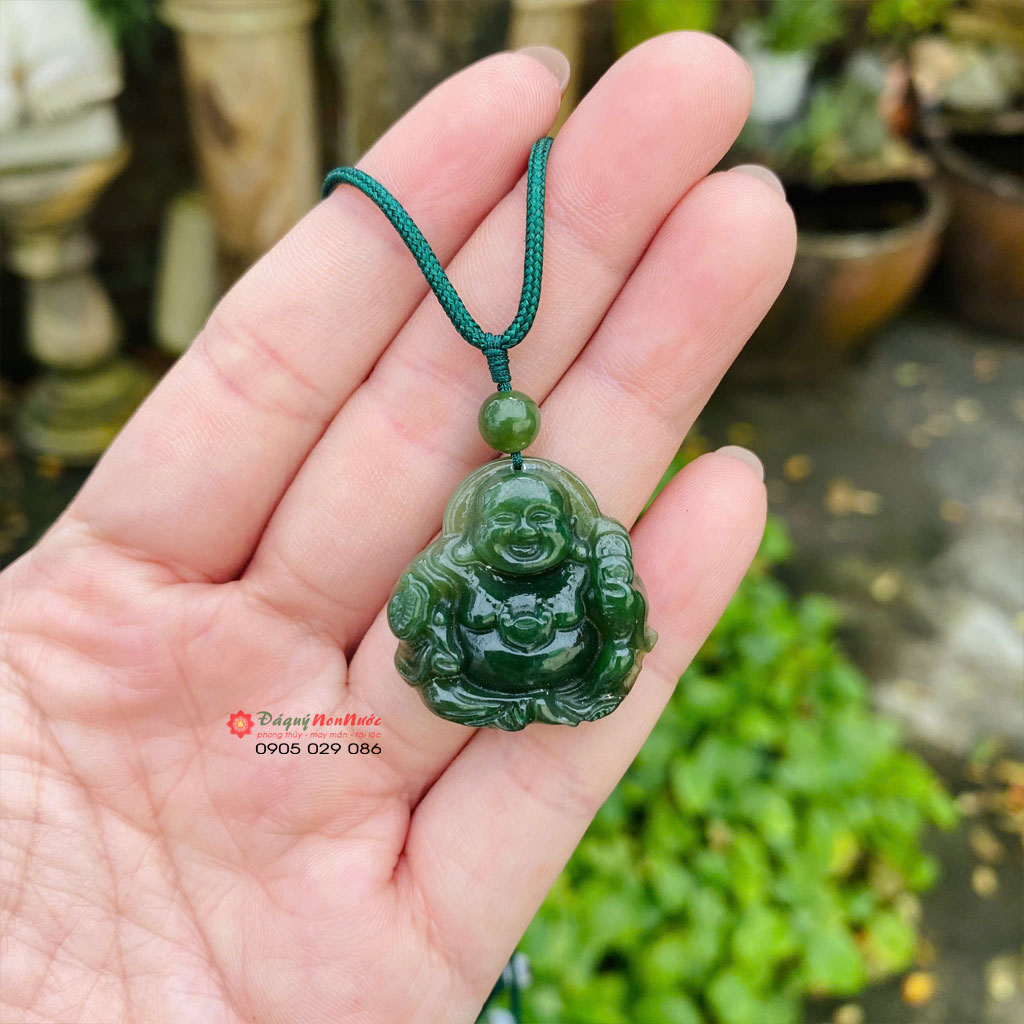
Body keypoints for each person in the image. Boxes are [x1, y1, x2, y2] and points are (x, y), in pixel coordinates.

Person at [0, 35, 794, 1024]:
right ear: (476, 528)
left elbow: (614, 612)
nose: (524, 538)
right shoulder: (459, 567)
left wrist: (599, 597)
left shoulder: (586, 554)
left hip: (554, 676)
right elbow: (426, 613)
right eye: (507, 525)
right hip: (479, 678)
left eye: (542, 524)